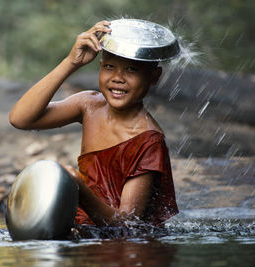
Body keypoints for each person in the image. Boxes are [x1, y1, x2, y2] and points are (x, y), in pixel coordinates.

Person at [9, 20, 178, 228]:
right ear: (99, 67)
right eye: (109, 66)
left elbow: (126, 225)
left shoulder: (149, 141)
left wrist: (79, 189)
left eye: (131, 70)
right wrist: (72, 62)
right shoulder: (89, 105)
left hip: (121, 249)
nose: (117, 78)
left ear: (154, 76)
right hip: (81, 228)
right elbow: (20, 118)